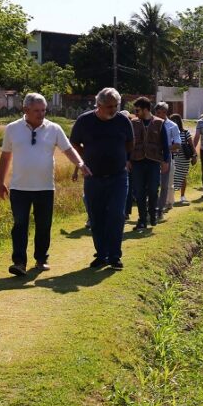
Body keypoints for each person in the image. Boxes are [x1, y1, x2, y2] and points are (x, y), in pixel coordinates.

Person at [0, 93, 91, 276]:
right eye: (36, 111)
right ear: (26, 110)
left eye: (43, 110)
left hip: (45, 188)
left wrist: (79, 163)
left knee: (43, 225)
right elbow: (5, 156)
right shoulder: (12, 129)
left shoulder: (54, 129)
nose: (41, 114)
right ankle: (19, 262)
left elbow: (68, 149)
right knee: (19, 225)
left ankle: (41, 259)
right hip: (19, 188)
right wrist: (0, 181)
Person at [70, 87, 134, 270]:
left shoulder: (122, 121)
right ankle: (101, 254)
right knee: (96, 217)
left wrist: (125, 159)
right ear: (98, 105)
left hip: (118, 177)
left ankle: (115, 256)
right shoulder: (84, 121)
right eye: (109, 107)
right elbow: (73, 143)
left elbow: (130, 143)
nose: (113, 110)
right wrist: (84, 159)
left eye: (115, 106)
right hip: (93, 177)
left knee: (116, 214)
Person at [129, 97, 170, 231]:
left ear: (146, 109)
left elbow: (165, 144)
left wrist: (165, 161)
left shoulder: (159, 123)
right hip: (137, 162)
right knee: (139, 192)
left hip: (153, 162)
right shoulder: (133, 123)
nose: (135, 112)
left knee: (153, 190)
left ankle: (152, 214)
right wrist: (127, 160)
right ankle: (142, 220)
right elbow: (128, 144)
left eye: (138, 110)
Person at [154, 102, 181, 219]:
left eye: (164, 112)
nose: (161, 115)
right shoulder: (151, 124)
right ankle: (152, 207)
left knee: (165, 184)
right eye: (158, 112)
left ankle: (160, 208)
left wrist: (164, 148)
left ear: (167, 113)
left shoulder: (172, 126)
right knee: (152, 184)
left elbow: (177, 144)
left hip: (166, 157)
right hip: (152, 157)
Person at [171, 114, 196, 204]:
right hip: (174, 157)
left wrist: (194, 155)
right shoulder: (170, 133)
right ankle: (171, 196)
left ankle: (182, 196)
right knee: (173, 176)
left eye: (176, 120)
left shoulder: (185, 133)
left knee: (183, 176)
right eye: (172, 120)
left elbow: (191, 144)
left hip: (184, 158)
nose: (174, 122)